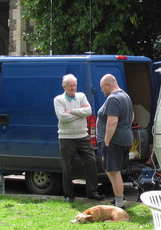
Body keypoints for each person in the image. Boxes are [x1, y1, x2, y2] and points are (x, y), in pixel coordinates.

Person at [54, 74, 104, 202]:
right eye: (70, 85)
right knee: (67, 167)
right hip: (66, 137)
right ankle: (69, 195)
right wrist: (79, 112)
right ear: (64, 86)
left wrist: (71, 111)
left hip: (83, 136)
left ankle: (92, 192)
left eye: (75, 85)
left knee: (91, 162)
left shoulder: (81, 96)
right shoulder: (58, 100)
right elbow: (62, 118)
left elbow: (88, 111)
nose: (73, 87)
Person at [97, 74, 133, 208]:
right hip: (125, 138)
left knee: (113, 171)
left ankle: (119, 203)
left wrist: (106, 140)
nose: (102, 91)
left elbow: (112, 121)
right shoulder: (125, 96)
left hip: (114, 141)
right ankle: (119, 198)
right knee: (112, 170)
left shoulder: (113, 98)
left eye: (102, 88)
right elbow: (132, 115)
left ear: (108, 85)